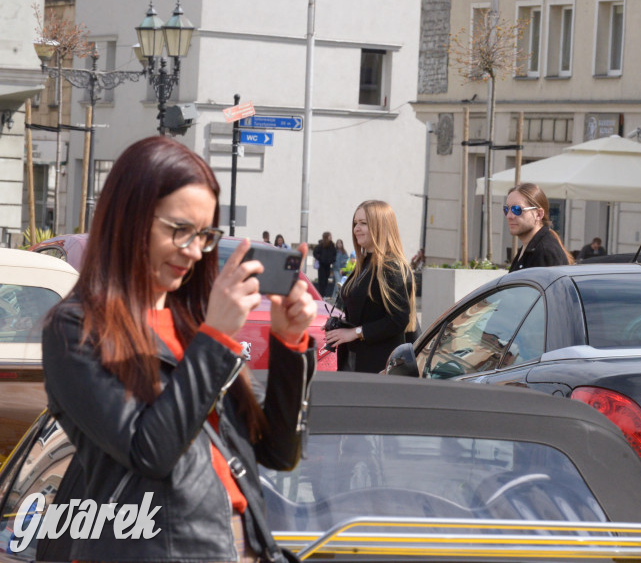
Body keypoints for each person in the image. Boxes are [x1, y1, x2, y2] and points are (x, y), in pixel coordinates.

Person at [41, 136, 316, 561]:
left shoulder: (193, 325)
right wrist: (217, 338)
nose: (192, 251)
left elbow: (279, 452)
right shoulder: (76, 327)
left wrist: (289, 343)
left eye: (204, 235)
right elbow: (150, 450)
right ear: (129, 219)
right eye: (179, 231)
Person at [324, 200, 417, 372]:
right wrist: (341, 327)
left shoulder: (391, 266)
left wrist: (355, 332)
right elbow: (366, 313)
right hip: (355, 360)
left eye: (363, 223)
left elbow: (398, 320)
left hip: (378, 366)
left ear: (380, 226)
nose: (356, 228)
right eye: (355, 223)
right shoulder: (365, 263)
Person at [505, 183, 573, 272]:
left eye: (517, 209)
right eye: (506, 209)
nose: (509, 216)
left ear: (539, 214)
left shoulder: (544, 251)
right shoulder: (531, 247)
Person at [312, 231, 337, 297]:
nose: (331, 237)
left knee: (326, 280)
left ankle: (324, 294)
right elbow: (315, 253)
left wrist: (332, 260)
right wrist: (320, 258)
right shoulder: (321, 245)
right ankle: (321, 294)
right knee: (321, 280)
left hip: (328, 265)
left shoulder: (332, 245)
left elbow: (334, 254)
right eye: (329, 236)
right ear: (326, 237)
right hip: (322, 265)